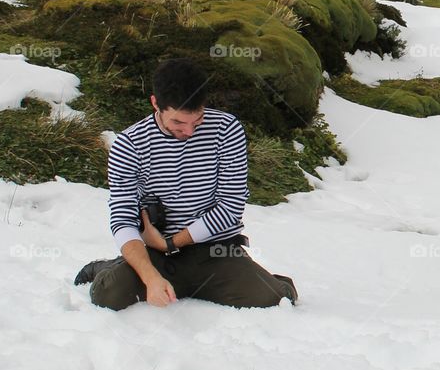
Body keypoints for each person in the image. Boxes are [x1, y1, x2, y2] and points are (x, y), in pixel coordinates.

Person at [82, 57, 297, 310]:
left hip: (213, 251)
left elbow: (230, 207)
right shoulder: (129, 145)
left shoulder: (227, 131)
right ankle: (107, 268)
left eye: (197, 121)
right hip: (154, 253)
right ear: (156, 104)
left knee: (275, 299)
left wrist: (172, 242)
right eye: (178, 123)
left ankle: (253, 280)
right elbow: (123, 218)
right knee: (109, 295)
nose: (189, 132)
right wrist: (150, 276)